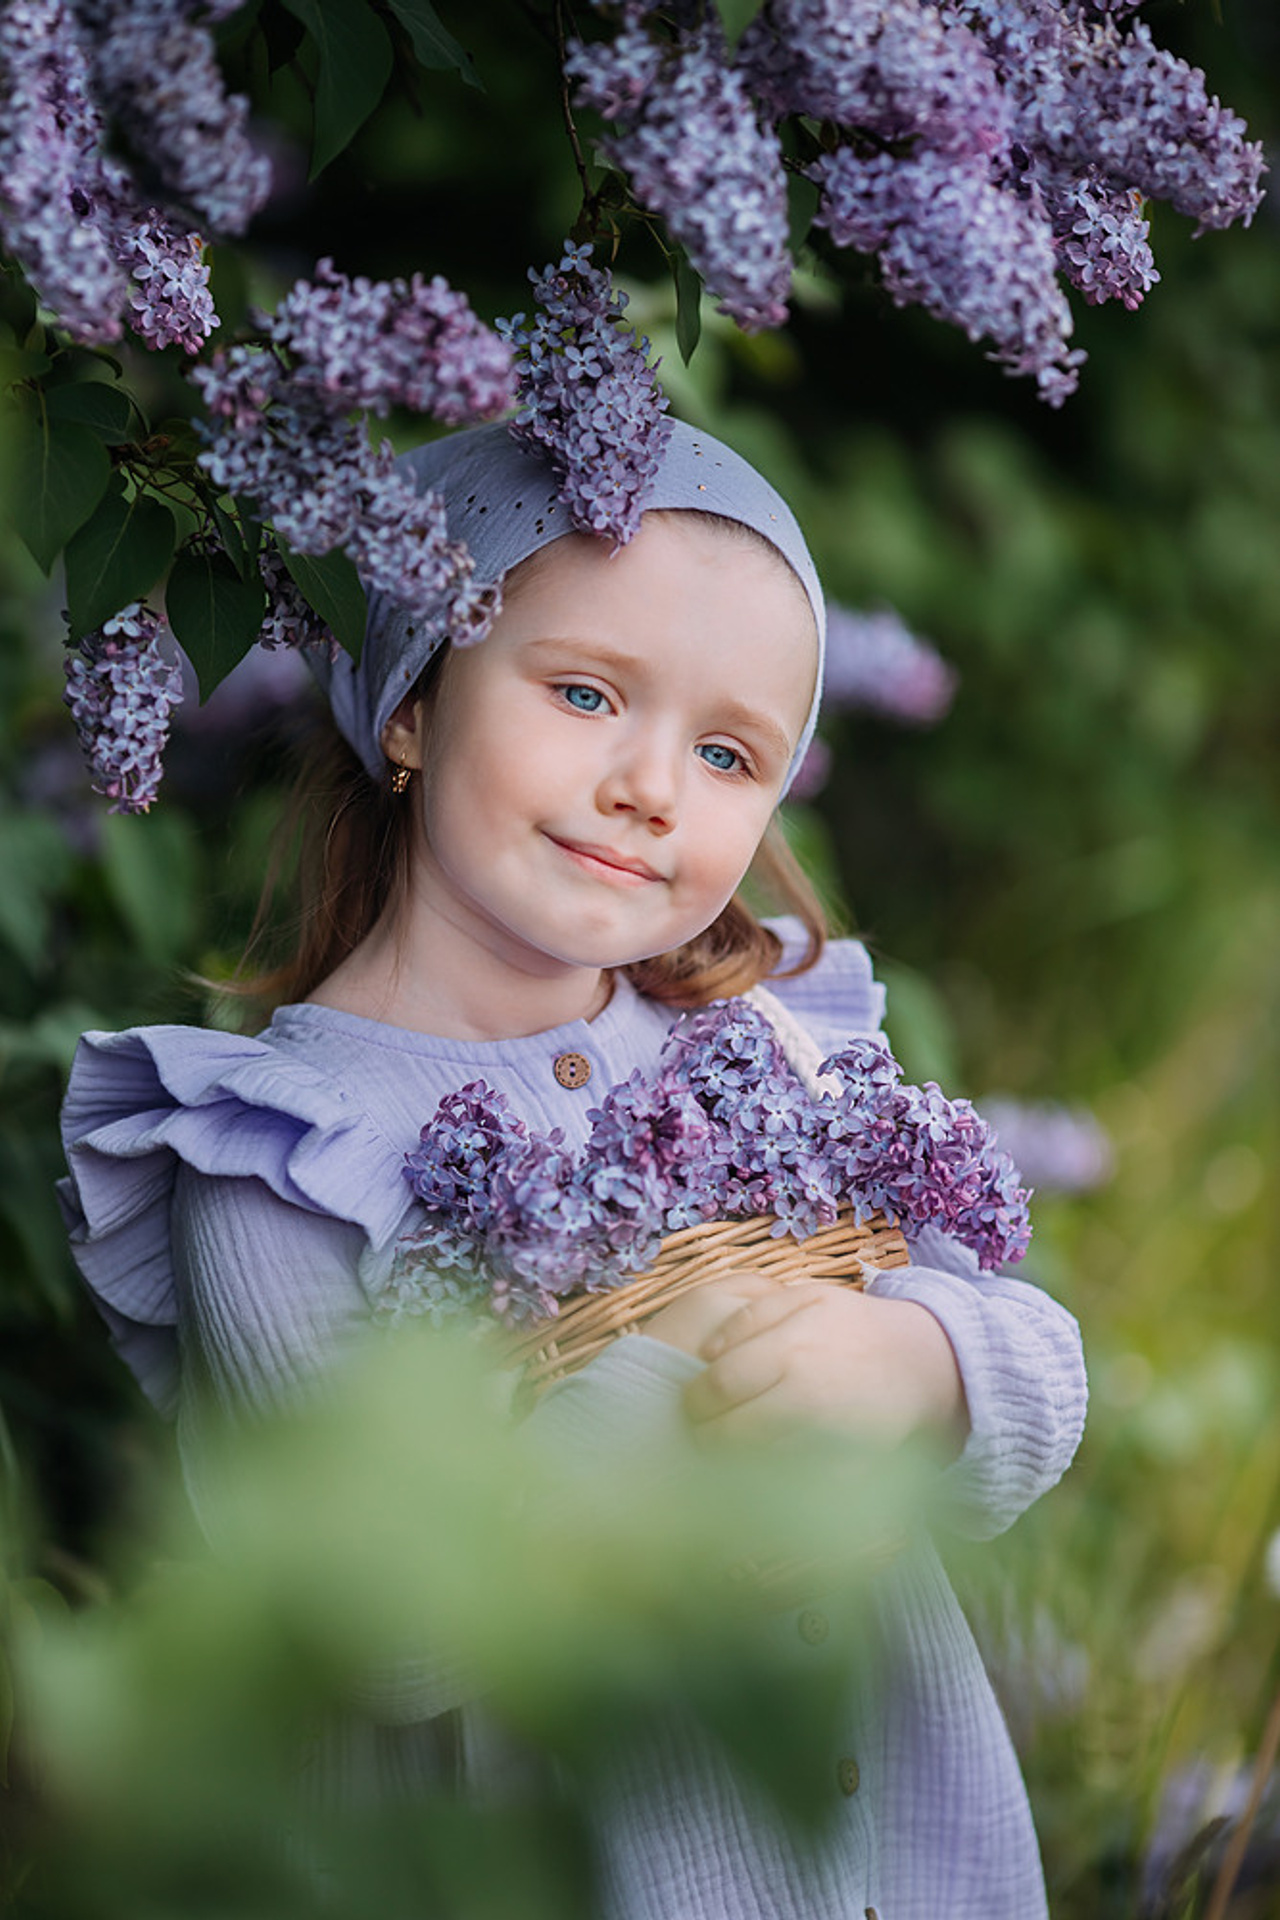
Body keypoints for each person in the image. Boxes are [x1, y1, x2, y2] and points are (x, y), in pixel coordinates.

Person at [58, 418, 1087, 1920]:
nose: (652, 786)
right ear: (412, 707)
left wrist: (919, 1360)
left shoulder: (757, 1050)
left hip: (896, 1860)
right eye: (589, 692)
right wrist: (678, 1396)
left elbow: (1040, 1366)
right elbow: (383, 1619)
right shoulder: (276, 1152)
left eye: (729, 752)